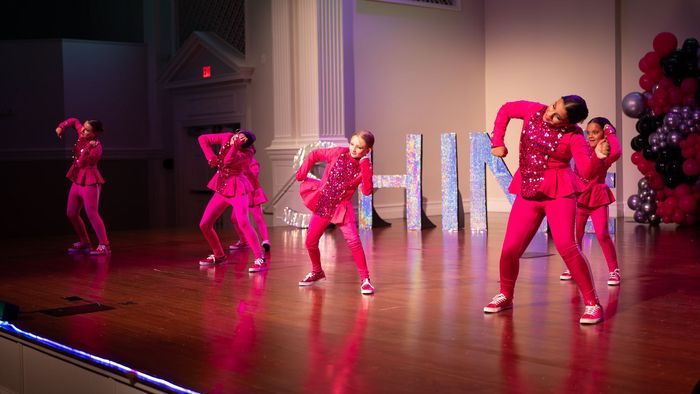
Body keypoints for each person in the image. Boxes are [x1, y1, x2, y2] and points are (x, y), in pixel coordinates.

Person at [484, 96, 611, 324]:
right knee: (510, 249)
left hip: (558, 193)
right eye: (554, 107)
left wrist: (599, 158)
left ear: (568, 124)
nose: (550, 114)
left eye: (558, 117)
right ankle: (506, 295)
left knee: (567, 247)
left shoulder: (574, 137)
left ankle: (593, 304)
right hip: (529, 191)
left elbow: (585, 170)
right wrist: (497, 141)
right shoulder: (533, 110)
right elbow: (505, 109)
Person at [296, 130, 375, 295]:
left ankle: (365, 280)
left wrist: (365, 165)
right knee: (310, 242)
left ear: (368, 150)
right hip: (324, 202)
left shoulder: (364, 167)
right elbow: (314, 154)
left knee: (354, 241)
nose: (353, 149)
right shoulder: (339, 152)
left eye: (359, 147)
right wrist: (302, 172)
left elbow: (367, 191)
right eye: (352, 144)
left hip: (341, 209)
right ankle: (317, 271)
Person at [560, 117, 622, 285]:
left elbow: (617, 151)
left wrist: (611, 132)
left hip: (597, 198)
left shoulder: (606, 151)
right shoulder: (583, 148)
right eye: (589, 132)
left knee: (602, 234)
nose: (591, 136)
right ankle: (574, 268)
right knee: (575, 235)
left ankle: (614, 270)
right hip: (579, 198)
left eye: (596, 132)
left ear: (603, 134)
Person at [197, 130, 266, 272]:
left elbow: (227, 162)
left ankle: (260, 258)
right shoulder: (227, 137)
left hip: (237, 188)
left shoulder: (247, 153)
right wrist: (210, 157)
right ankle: (219, 255)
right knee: (204, 224)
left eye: (242, 139)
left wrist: (235, 146)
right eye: (238, 135)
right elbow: (202, 138)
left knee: (243, 222)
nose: (238, 138)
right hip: (222, 186)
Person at [55, 118, 111, 255]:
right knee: (71, 213)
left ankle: (104, 245)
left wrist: (87, 147)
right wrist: (61, 127)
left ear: (95, 133)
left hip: (90, 180)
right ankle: (85, 241)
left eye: (87, 130)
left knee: (92, 213)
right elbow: (73, 121)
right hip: (77, 180)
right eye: (84, 128)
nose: (82, 131)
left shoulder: (97, 147)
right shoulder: (82, 133)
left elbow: (81, 162)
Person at [229, 145, 271, 252]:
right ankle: (243, 240)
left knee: (258, 217)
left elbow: (252, 177)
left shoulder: (253, 163)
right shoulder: (237, 161)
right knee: (234, 217)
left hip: (253, 193)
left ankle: (265, 240)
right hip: (241, 193)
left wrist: (243, 169)